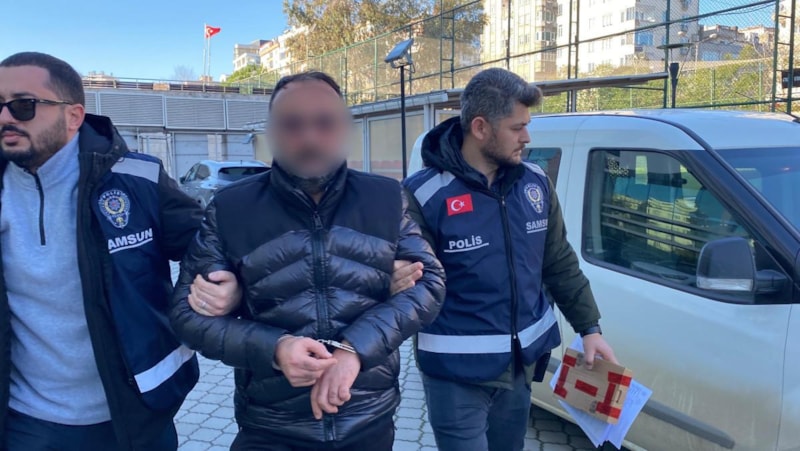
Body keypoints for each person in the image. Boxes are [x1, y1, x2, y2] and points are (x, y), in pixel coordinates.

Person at [170, 71, 446, 451]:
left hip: (367, 419)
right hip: (270, 426)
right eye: (292, 124)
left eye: (324, 123)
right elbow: (186, 316)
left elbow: (430, 283)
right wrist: (274, 349)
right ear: (272, 133)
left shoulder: (384, 197)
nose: (310, 138)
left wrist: (354, 350)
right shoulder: (231, 208)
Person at [0, 51, 243, 450]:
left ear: (73, 116)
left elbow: (207, 243)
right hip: (26, 422)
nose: (5, 117)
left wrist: (227, 284)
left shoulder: (138, 177)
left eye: (23, 105)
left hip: (136, 415)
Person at [402, 67, 618, 451]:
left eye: (527, 125)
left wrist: (591, 329)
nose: (527, 137)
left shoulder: (535, 182)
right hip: (455, 376)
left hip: (519, 369)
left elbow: (558, 262)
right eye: (517, 127)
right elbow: (411, 285)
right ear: (480, 128)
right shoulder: (422, 195)